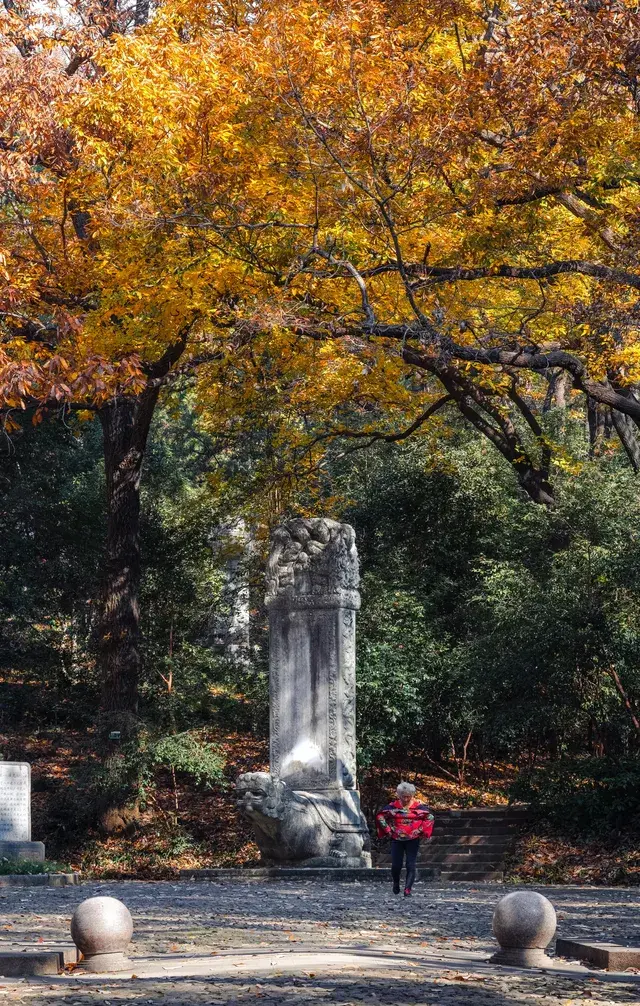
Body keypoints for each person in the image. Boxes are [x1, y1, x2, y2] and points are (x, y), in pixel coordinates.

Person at [376, 782, 434, 896]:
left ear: (412, 795)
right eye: (403, 796)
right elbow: (380, 816)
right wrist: (388, 830)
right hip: (396, 838)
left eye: (408, 796)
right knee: (396, 865)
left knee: (410, 864)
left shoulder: (418, 807)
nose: (406, 799)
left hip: (413, 838)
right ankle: (396, 882)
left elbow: (430, 817)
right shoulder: (392, 806)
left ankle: (408, 889)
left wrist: (420, 830)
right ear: (399, 795)